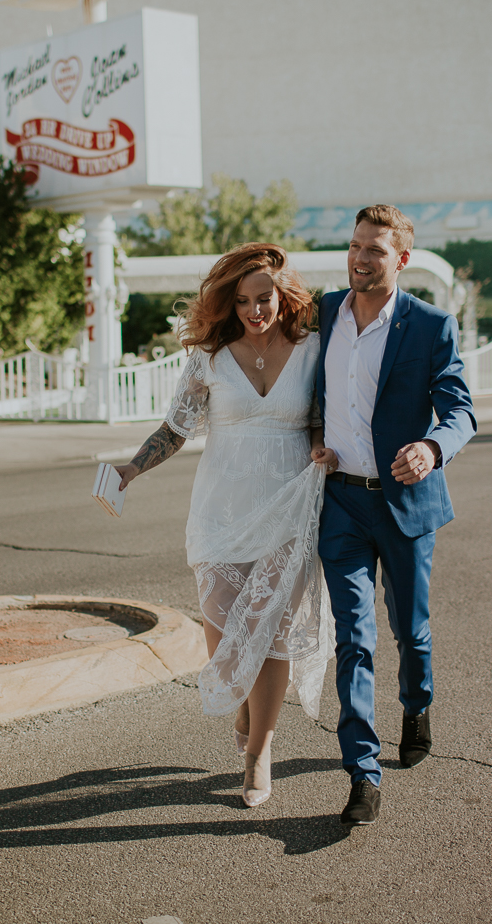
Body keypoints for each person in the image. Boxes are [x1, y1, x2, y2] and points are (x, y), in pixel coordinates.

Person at [114, 242, 334, 809]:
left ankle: (259, 751)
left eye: (264, 299)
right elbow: (175, 428)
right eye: (242, 301)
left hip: (289, 508)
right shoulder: (209, 358)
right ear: (229, 303)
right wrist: (131, 469)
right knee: (228, 644)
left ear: (282, 296)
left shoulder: (311, 351)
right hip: (221, 513)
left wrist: (317, 447)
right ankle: (242, 702)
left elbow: (316, 418)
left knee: (276, 635)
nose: (254, 311)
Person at [312, 205, 476, 826]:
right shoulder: (324, 313)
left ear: (401, 259)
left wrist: (432, 448)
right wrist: (312, 438)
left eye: (374, 250)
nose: (359, 258)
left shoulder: (431, 326)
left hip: (405, 502)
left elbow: (460, 411)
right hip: (343, 503)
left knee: (411, 629)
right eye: (355, 246)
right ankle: (363, 771)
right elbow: (306, 391)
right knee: (353, 639)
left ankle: (417, 703)